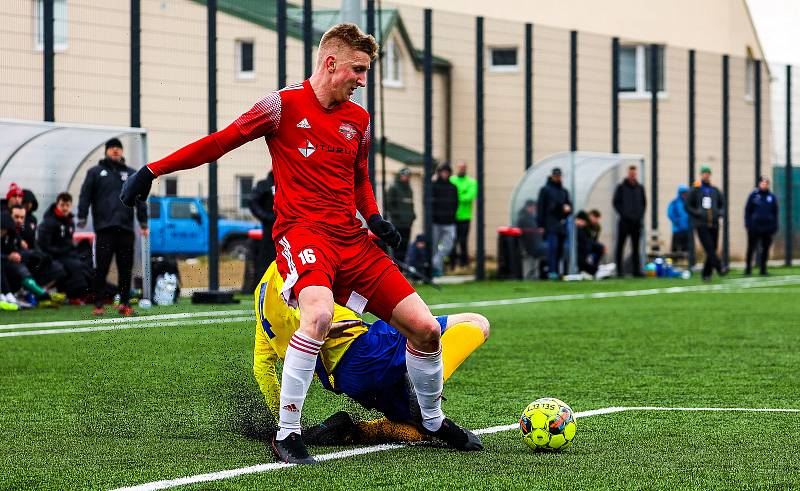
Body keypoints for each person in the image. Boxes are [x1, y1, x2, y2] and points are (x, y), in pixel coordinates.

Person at [119, 23, 481, 464]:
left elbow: (359, 178)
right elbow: (219, 143)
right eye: (358, 70)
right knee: (319, 315)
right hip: (304, 236)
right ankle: (287, 433)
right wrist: (151, 171)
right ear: (331, 64)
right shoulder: (280, 106)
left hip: (353, 240)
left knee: (424, 329)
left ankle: (431, 420)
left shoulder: (359, 120)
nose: (363, 80)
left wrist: (375, 219)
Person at [253, 261, 489, 445]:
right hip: (367, 347)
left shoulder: (259, 298)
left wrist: (285, 420)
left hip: (347, 380)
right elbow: (303, 306)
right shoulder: (294, 265)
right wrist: (320, 328)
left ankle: (359, 431)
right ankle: (423, 393)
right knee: (476, 322)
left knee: (421, 431)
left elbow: (262, 368)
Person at [78, 138, 148, 316]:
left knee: (125, 268)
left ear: (122, 151)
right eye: (112, 148)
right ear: (106, 151)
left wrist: (143, 222)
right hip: (104, 229)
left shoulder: (131, 173)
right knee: (101, 268)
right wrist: (81, 216)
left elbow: (140, 199)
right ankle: (99, 303)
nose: (116, 151)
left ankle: (124, 303)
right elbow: (85, 195)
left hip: (125, 229)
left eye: (119, 148)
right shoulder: (95, 172)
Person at [1, 206, 63, 305]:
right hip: (9, 263)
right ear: (9, 217)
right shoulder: (5, 229)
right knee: (19, 267)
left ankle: (33, 292)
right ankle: (41, 294)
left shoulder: (23, 229)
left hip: (21, 260)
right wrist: (9, 256)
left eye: (22, 218)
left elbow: (32, 245)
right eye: (16, 217)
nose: (19, 220)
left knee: (55, 266)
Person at [38, 192, 91, 299]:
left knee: (86, 263)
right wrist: (64, 251)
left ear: (71, 206)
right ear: (57, 204)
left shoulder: (70, 222)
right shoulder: (49, 222)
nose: (65, 208)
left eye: (67, 205)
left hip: (67, 255)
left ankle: (98, 292)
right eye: (62, 205)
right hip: (54, 257)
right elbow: (44, 245)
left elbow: (68, 242)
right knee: (76, 265)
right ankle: (77, 295)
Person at [686, 165, 726, 281]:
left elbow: (722, 204)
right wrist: (697, 213)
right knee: (709, 248)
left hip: (713, 223)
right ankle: (719, 267)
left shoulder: (714, 190)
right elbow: (688, 205)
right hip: (701, 224)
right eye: (704, 173)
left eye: (708, 173)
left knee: (712, 248)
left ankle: (706, 274)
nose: (706, 175)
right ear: (701, 175)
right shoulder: (696, 190)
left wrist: (719, 213)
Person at [536, 168, 572, 280]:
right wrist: (540, 225)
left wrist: (567, 209)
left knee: (560, 249)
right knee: (553, 247)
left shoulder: (564, 191)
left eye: (559, 176)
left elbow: (569, 206)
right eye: (556, 176)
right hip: (550, 224)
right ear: (551, 176)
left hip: (561, 224)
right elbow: (541, 208)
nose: (558, 178)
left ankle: (558, 271)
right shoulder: (545, 190)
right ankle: (552, 271)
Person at [613, 165, 646, 277]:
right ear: (628, 173)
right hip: (624, 222)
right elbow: (616, 203)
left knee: (636, 247)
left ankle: (637, 271)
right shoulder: (621, 187)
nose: (632, 175)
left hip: (636, 223)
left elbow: (643, 204)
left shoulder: (640, 188)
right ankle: (619, 271)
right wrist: (624, 214)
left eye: (634, 173)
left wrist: (639, 216)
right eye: (631, 173)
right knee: (620, 245)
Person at [744, 176, 779, 276]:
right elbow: (748, 211)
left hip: (767, 228)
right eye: (762, 183)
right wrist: (748, 224)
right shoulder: (754, 196)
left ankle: (763, 269)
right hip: (754, 227)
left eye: (766, 183)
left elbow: (775, 213)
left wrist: (774, 225)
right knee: (751, 248)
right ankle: (748, 269)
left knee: (765, 248)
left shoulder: (771, 197)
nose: (764, 185)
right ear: (759, 184)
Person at [431, 163, 458, 277]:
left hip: (450, 222)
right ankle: (436, 270)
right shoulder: (433, 186)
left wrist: (452, 214)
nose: (445, 174)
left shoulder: (453, 187)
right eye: (443, 172)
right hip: (436, 222)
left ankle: (435, 263)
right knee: (433, 246)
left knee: (449, 244)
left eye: (447, 172)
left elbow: (456, 203)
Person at [249, 170, 277, 279]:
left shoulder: (291, 180)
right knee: (268, 260)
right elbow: (252, 201)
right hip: (270, 231)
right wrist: (266, 217)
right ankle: (264, 289)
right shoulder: (265, 185)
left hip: (289, 229)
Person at [449, 161, 477, 270]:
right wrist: (462, 193)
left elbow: (469, 197)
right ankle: (452, 264)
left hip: (465, 217)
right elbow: (449, 194)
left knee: (463, 241)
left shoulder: (471, 182)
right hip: (452, 216)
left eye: (463, 167)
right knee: (452, 241)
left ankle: (463, 264)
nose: (461, 169)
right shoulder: (452, 180)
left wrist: (456, 195)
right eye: (460, 167)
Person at [385, 167, 415, 263]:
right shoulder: (394, 187)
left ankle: (401, 269)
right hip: (397, 223)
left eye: (407, 176)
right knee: (397, 247)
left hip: (407, 223)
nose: (406, 177)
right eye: (404, 175)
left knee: (404, 247)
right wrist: (398, 216)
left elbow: (410, 204)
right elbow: (388, 204)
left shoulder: (409, 189)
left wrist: (412, 216)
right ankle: (397, 268)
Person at [516, 199, 545, 280]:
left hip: (533, 244)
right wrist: (537, 231)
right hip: (530, 246)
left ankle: (536, 273)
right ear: (529, 207)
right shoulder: (524, 218)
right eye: (534, 207)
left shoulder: (528, 217)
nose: (535, 209)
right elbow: (524, 231)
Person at [575, 210, 605, 276]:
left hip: (589, 245)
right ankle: (594, 270)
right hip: (583, 246)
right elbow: (584, 239)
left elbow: (594, 239)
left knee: (600, 248)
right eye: (595, 218)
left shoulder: (597, 227)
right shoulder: (579, 227)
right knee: (585, 248)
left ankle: (595, 268)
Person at [667, 184, 690, 253]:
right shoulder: (675, 203)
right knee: (675, 249)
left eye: (686, 193)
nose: (684, 194)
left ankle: (686, 263)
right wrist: (676, 221)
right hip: (677, 230)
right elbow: (670, 213)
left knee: (686, 249)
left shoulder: (688, 203)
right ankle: (674, 262)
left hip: (687, 230)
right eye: (683, 193)